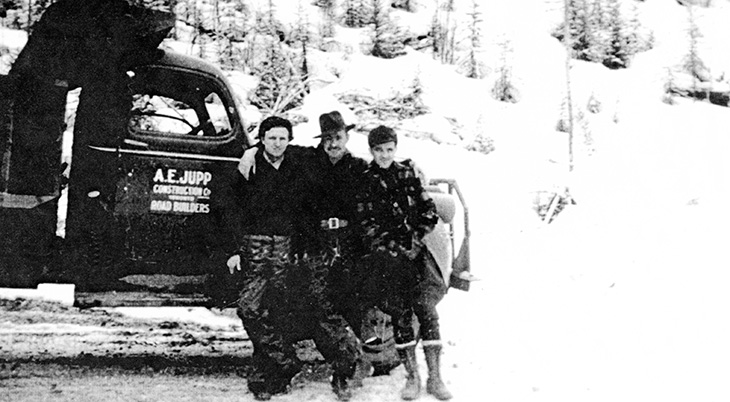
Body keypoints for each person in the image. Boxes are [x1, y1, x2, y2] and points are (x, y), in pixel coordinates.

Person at [226, 116, 360, 401]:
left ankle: (277, 372)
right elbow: (231, 208)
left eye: (282, 138)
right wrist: (233, 249)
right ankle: (285, 361)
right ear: (262, 139)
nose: (277, 143)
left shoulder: (299, 162)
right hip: (257, 248)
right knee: (250, 308)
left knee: (291, 307)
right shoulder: (250, 165)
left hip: (292, 248)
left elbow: (319, 155)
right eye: (271, 138)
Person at [352, 125, 452, 401]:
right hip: (386, 260)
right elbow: (366, 225)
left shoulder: (408, 173)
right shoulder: (365, 181)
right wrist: (394, 247)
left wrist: (416, 240)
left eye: (389, 149)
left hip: (415, 256)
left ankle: (435, 377)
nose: (384, 155)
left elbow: (428, 211)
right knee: (401, 315)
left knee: (427, 311)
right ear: (371, 151)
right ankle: (413, 378)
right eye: (379, 150)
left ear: (395, 149)